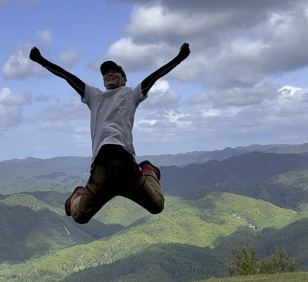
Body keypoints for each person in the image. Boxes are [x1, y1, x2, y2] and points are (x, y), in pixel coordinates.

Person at [29, 42, 191, 224]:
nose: (109, 74)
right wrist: (42, 61)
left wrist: (178, 59)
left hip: (127, 168)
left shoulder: (131, 94)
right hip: (101, 171)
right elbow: (68, 77)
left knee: (157, 206)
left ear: (124, 79)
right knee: (79, 217)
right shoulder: (95, 96)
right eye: (106, 73)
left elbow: (153, 77)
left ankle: (148, 171)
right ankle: (78, 194)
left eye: (115, 71)